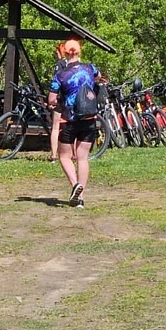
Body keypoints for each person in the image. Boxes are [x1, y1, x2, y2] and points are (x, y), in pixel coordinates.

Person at [47, 39, 101, 209]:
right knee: (82, 157)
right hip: (89, 118)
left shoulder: (60, 75)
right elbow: (99, 79)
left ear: (65, 52)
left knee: (64, 156)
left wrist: (54, 103)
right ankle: (81, 199)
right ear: (79, 52)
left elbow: (52, 99)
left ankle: (75, 184)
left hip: (70, 119)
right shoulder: (90, 68)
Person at [48, 42, 68, 163]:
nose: (56, 54)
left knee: (55, 127)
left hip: (60, 99)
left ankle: (54, 155)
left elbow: (56, 81)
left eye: (57, 51)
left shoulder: (60, 64)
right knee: (73, 126)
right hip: (72, 99)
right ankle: (74, 155)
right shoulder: (76, 64)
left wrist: (51, 98)